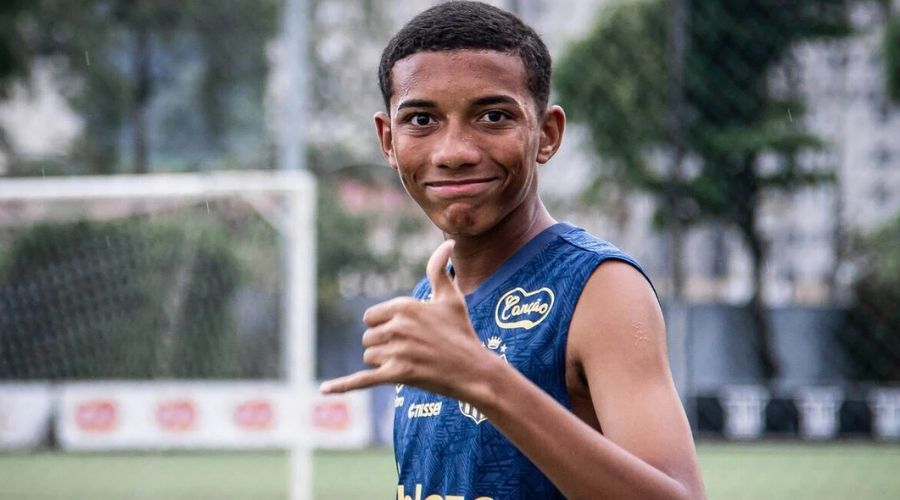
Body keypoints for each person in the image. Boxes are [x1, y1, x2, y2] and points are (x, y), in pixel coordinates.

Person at [320, 2, 706, 499]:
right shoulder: (431, 299)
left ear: (546, 134)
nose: (454, 151)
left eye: (493, 116)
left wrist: (485, 380)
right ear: (388, 140)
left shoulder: (599, 287)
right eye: (421, 119)